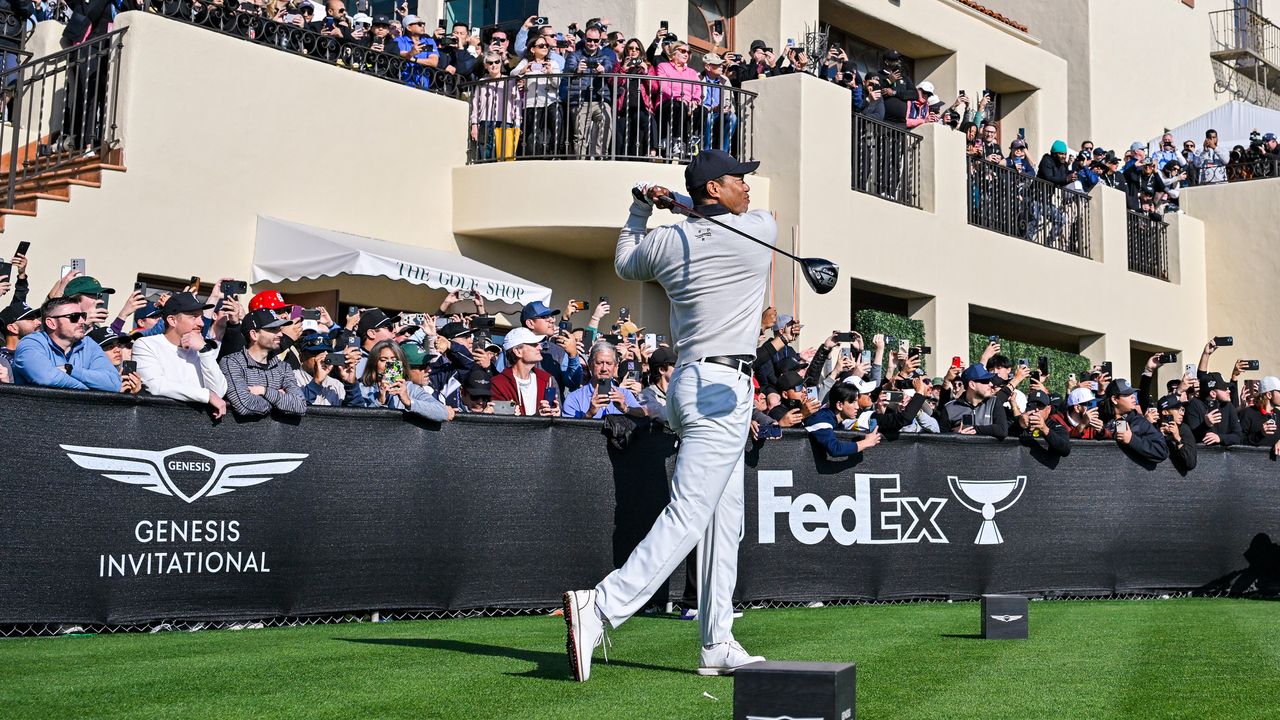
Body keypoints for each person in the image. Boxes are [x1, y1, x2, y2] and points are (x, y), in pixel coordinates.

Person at [563, 150, 774, 681]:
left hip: (689, 382)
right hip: (721, 387)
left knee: (726, 521)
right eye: (737, 180)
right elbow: (724, 218)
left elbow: (624, 260)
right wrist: (678, 203)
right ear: (714, 190)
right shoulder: (755, 233)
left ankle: (717, 642)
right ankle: (603, 605)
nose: (748, 188)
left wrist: (642, 209)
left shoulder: (665, 241)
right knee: (690, 513)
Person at [131, 292, 230, 417]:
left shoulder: (201, 350)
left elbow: (219, 392)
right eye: (194, 317)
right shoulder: (146, 344)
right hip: (158, 426)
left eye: (201, 317)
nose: (202, 323)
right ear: (172, 320)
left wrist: (205, 350)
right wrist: (206, 395)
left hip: (197, 429)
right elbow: (156, 385)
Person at [11, 295, 120, 391]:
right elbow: (46, 377)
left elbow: (114, 384)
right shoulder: (31, 343)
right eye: (74, 317)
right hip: (36, 412)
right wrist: (88, 390)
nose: (82, 321)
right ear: (51, 323)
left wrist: (71, 370)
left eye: (83, 316)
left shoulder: (88, 344)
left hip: (80, 413)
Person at [217, 309, 308, 418]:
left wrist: (264, 391)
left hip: (277, 435)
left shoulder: (283, 367)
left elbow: (300, 405)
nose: (280, 334)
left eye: (279, 329)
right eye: (273, 329)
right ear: (254, 334)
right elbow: (244, 405)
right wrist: (280, 399)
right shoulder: (232, 362)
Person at [512, 35, 563, 158]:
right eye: (541, 46)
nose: (545, 48)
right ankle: (534, 157)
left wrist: (550, 73)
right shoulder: (526, 62)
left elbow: (557, 84)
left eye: (546, 46)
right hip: (532, 103)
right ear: (532, 49)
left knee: (555, 131)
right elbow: (512, 73)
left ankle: (554, 155)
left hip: (551, 102)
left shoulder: (553, 62)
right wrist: (524, 70)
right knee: (533, 134)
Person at [490, 327, 560, 416]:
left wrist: (556, 414)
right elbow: (501, 425)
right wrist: (537, 417)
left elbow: (555, 419)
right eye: (533, 344)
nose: (540, 347)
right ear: (518, 351)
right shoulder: (498, 384)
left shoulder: (547, 379)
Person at [803, 382, 883, 459]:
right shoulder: (821, 419)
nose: (857, 407)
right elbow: (835, 449)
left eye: (857, 402)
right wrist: (866, 442)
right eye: (853, 402)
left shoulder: (838, 421)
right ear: (839, 405)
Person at [1102, 379, 1168, 464]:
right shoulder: (1104, 418)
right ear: (1114, 399)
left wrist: (1132, 439)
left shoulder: (1140, 422)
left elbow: (1162, 451)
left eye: (1132, 393)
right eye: (1127, 394)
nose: (1133, 396)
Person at [942, 364, 1009, 438]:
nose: (990, 384)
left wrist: (974, 429)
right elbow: (940, 439)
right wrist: (956, 434)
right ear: (972, 385)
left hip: (988, 449)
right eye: (986, 381)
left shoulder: (994, 402)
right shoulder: (949, 408)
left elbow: (1002, 430)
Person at [0, 301, 40, 383]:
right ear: (13, 328)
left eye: (36, 318)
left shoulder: (43, 350)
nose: (39, 322)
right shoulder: (3, 360)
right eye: (30, 319)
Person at [1156, 394, 1196, 472]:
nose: (1182, 413)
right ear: (1165, 412)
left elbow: (1191, 463)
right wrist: (1158, 435)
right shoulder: (1153, 427)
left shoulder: (1184, 428)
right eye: (1178, 409)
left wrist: (1178, 439)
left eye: (1182, 409)